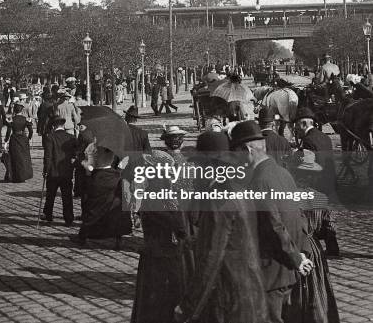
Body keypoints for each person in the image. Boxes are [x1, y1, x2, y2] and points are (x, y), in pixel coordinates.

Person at [175, 132, 268, 323]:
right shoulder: (239, 188)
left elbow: (211, 258)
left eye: (197, 165)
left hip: (229, 300)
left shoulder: (217, 199)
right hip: (252, 293)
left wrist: (187, 306)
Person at [230, 120, 314, 323]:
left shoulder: (259, 181)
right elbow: (299, 214)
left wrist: (296, 258)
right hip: (287, 270)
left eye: (236, 153)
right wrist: (301, 254)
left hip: (270, 272)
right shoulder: (282, 173)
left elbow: (273, 225)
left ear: (247, 150)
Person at [131, 150, 191, 323]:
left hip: (150, 251)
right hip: (164, 255)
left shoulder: (148, 188)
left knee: (148, 300)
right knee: (163, 299)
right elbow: (178, 225)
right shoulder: (161, 191)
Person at [287, 149, 340, 322]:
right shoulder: (321, 198)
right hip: (314, 250)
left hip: (295, 248)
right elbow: (328, 231)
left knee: (296, 292)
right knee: (318, 289)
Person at [74, 142, 132, 250]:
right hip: (111, 175)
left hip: (97, 175)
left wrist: (83, 163)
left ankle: (84, 236)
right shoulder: (115, 147)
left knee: (92, 206)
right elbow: (122, 164)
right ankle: (118, 236)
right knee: (117, 205)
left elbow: (89, 167)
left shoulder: (92, 147)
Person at [295, 107, 339, 203]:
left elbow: (308, 167)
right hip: (330, 184)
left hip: (317, 186)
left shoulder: (308, 140)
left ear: (303, 124)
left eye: (297, 125)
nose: (296, 128)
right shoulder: (326, 137)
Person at [42, 117, 78, 226]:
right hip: (67, 171)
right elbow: (74, 154)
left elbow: (48, 156)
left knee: (50, 194)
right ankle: (68, 218)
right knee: (67, 195)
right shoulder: (71, 137)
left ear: (53, 126)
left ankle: (48, 214)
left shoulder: (50, 137)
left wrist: (46, 170)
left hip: (53, 171)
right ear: (63, 125)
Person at [3, 103, 34, 183]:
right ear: (21, 110)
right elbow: (31, 130)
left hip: (14, 138)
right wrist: (28, 138)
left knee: (15, 157)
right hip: (23, 139)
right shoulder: (25, 119)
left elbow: (8, 131)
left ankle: (16, 176)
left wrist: (6, 140)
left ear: (14, 110)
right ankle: (24, 175)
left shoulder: (11, 119)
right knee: (24, 157)